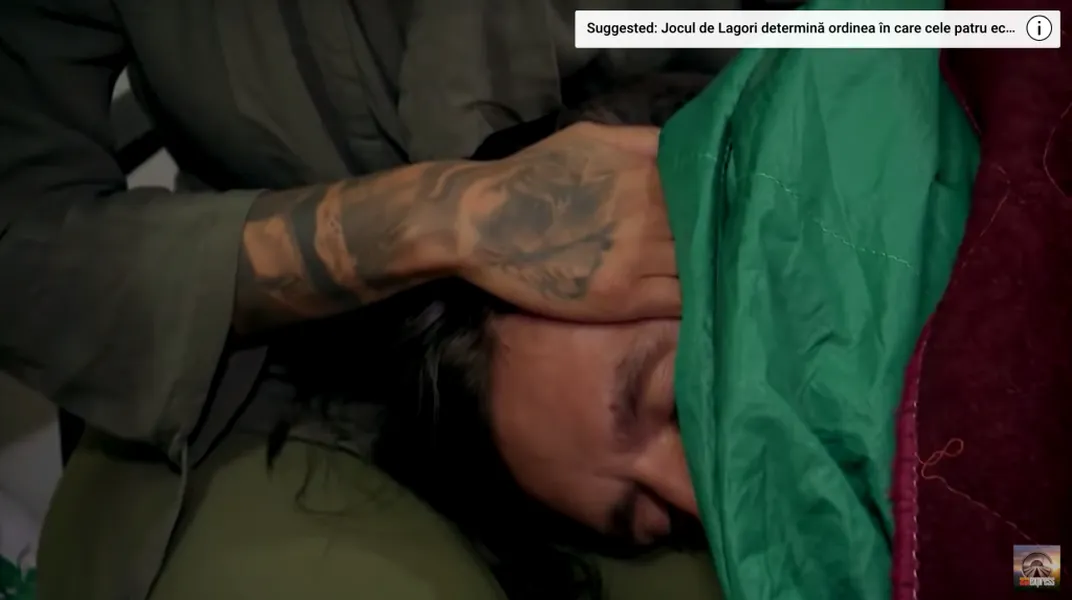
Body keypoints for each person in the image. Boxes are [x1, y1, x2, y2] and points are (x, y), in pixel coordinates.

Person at [0, 1, 736, 598]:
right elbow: (19, 249)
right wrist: (431, 219)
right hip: (272, 366)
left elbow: (801, 31)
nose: (695, 492)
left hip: (673, 299)